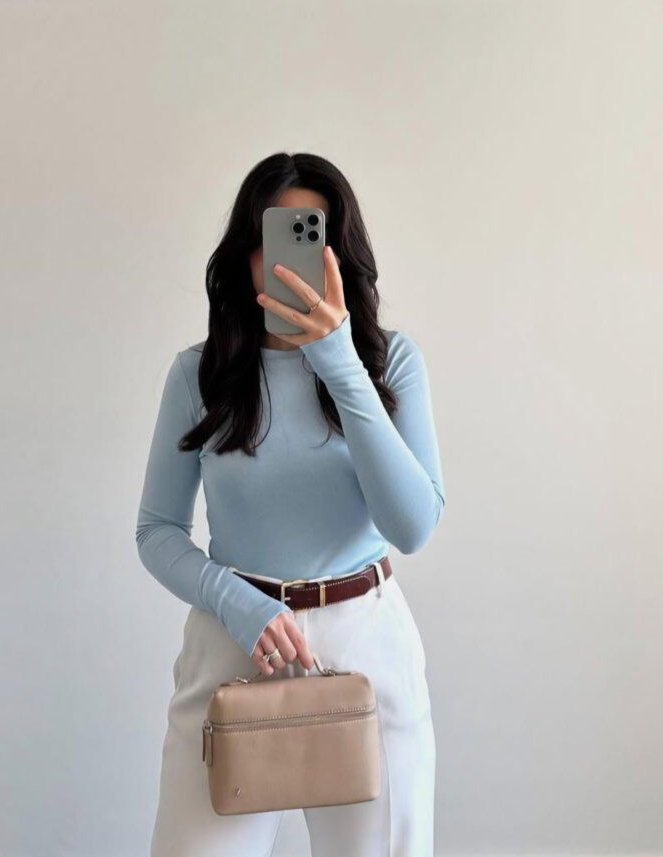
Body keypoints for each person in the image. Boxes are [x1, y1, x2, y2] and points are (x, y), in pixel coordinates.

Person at [135, 152, 446, 856]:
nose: (286, 260)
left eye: (310, 235)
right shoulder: (200, 374)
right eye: (272, 236)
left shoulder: (390, 363)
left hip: (367, 648)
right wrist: (238, 603)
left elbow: (412, 525)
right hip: (234, 645)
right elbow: (157, 530)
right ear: (244, 253)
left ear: (340, 253)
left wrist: (337, 359)